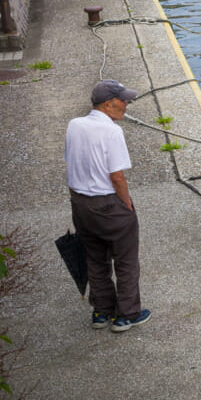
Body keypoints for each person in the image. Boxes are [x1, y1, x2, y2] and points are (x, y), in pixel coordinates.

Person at [64, 79, 151, 333]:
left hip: (80, 203)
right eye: (123, 100)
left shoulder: (74, 125)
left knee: (94, 258)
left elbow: (71, 162)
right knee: (125, 261)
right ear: (108, 103)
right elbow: (117, 176)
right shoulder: (112, 132)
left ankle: (101, 311)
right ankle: (126, 315)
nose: (127, 104)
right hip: (108, 204)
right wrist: (127, 205)